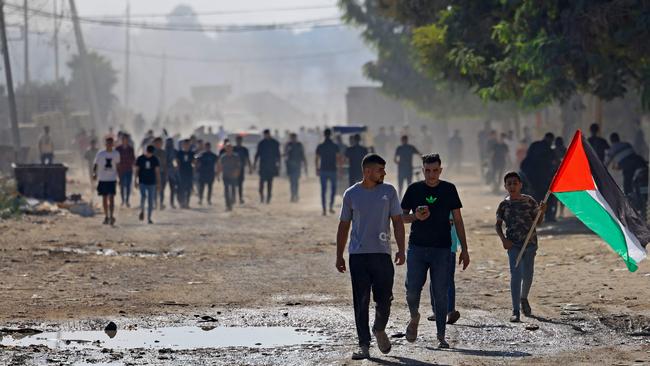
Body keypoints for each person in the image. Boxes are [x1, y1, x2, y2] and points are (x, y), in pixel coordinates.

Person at [336, 153, 406, 360]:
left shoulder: (389, 191)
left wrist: (401, 249)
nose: (384, 173)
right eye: (380, 170)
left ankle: (379, 328)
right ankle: (363, 344)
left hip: (382, 254)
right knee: (361, 301)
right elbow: (343, 226)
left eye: (384, 170)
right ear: (367, 172)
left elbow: (398, 222)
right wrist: (339, 255)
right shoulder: (351, 194)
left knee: (384, 299)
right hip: (358, 255)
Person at [400, 153, 470, 349]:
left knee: (441, 293)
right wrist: (415, 217)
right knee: (412, 290)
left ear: (440, 170)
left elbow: (458, 220)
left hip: (442, 249)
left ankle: (441, 336)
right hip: (417, 248)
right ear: (422, 170)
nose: (431, 175)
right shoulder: (414, 190)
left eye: (435, 170)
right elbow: (400, 217)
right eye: (427, 171)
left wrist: (464, 249)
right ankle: (414, 317)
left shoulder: (449, 189)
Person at [495, 172, 547, 322]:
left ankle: (523, 298)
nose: (512, 186)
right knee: (516, 275)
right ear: (505, 186)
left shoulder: (529, 201)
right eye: (509, 184)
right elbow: (498, 225)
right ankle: (515, 310)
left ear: (520, 185)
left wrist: (542, 211)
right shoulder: (504, 205)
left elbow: (538, 222)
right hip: (513, 245)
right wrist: (504, 240)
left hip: (530, 244)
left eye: (514, 183)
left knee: (528, 274)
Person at [427, 212, 461, 325]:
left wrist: (462, 246)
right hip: (433, 246)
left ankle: (450, 311)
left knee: (449, 279)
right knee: (435, 278)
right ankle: (437, 311)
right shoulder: (431, 202)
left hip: (450, 247)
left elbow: (458, 223)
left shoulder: (452, 203)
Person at [93, 137, 121, 226]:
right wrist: (94, 174)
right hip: (102, 179)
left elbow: (118, 166)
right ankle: (106, 216)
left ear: (113, 144)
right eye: (108, 143)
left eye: (111, 143)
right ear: (105, 144)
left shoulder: (116, 154)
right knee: (104, 198)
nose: (109, 145)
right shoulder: (101, 154)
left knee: (111, 198)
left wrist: (119, 177)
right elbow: (95, 164)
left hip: (112, 179)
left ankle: (112, 215)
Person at [315, 128, 341, 215]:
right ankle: (330, 206)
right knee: (333, 189)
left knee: (323, 190)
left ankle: (324, 209)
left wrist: (317, 168)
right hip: (333, 169)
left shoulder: (320, 146)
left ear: (324, 134)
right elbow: (338, 158)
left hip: (323, 170)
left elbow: (317, 158)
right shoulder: (335, 146)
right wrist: (339, 168)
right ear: (331, 135)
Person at [134, 145, 161, 224]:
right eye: (148, 152)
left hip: (152, 182)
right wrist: (135, 180)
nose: (149, 154)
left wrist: (159, 183)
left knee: (150, 200)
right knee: (143, 197)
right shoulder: (140, 158)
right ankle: (142, 210)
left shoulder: (155, 159)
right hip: (142, 181)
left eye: (150, 153)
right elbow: (137, 170)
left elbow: (157, 172)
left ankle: (149, 218)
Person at [254, 129, 281, 204]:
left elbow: (278, 155)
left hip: (271, 166)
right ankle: (262, 197)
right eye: (265, 135)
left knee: (270, 183)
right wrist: (255, 164)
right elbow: (257, 154)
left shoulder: (275, 143)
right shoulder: (261, 143)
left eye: (267, 134)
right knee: (261, 184)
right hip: (263, 165)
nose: (266, 136)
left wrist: (279, 165)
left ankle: (268, 197)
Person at [217, 142, 241, 211]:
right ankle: (228, 205)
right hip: (225, 176)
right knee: (226, 190)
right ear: (225, 148)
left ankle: (232, 201)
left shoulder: (236, 156)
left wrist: (237, 173)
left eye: (230, 147)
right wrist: (218, 175)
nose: (229, 149)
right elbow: (219, 166)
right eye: (227, 147)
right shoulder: (223, 157)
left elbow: (238, 166)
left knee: (233, 189)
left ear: (232, 148)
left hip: (233, 176)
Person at [285, 133, 308, 202]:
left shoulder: (299, 145)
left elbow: (302, 154)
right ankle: (293, 195)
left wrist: (305, 164)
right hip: (290, 166)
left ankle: (296, 195)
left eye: (294, 138)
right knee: (292, 182)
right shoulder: (288, 145)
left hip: (297, 165)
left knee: (296, 182)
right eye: (292, 138)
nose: (293, 139)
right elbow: (285, 154)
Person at [116, 134, 135, 208]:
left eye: (126, 139)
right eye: (124, 139)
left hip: (129, 169)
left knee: (128, 185)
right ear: (122, 140)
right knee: (121, 185)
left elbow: (133, 159)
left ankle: (127, 200)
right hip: (121, 170)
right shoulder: (118, 149)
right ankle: (122, 200)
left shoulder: (131, 149)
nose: (125, 141)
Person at [233, 135, 252, 204]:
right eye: (238, 140)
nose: (239, 142)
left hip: (241, 168)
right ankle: (233, 198)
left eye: (240, 140)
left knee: (240, 184)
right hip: (233, 169)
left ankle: (240, 198)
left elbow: (247, 159)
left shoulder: (244, 149)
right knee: (233, 183)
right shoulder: (233, 149)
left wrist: (250, 168)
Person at [176, 140, 195, 209]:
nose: (186, 146)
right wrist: (176, 167)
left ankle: (187, 203)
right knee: (181, 188)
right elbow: (175, 161)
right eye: (185, 144)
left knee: (188, 188)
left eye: (188, 145)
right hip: (181, 172)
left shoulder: (192, 153)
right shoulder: (179, 153)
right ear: (183, 145)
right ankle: (181, 202)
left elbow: (193, 162)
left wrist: (194, 167)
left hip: (189, 172)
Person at [152, 137, 167, 210]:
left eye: (160, 143)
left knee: (162, 189)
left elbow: (166, 164)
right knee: (154, 189)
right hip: (153, 173)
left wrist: (166, 173)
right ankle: (155, 203)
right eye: (157, 143)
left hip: (162, 173)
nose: (159, 144)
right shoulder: (151, 152)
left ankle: (161, 203)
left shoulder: (164, 152)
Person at [165, 138, 179, 209]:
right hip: (164, 172)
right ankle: (160, 202)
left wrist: (175, 167)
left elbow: (175, 161)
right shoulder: (164, 151)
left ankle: (171, 203)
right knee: (162, 188)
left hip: (172, 172)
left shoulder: (174, 151)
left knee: (173, 189)